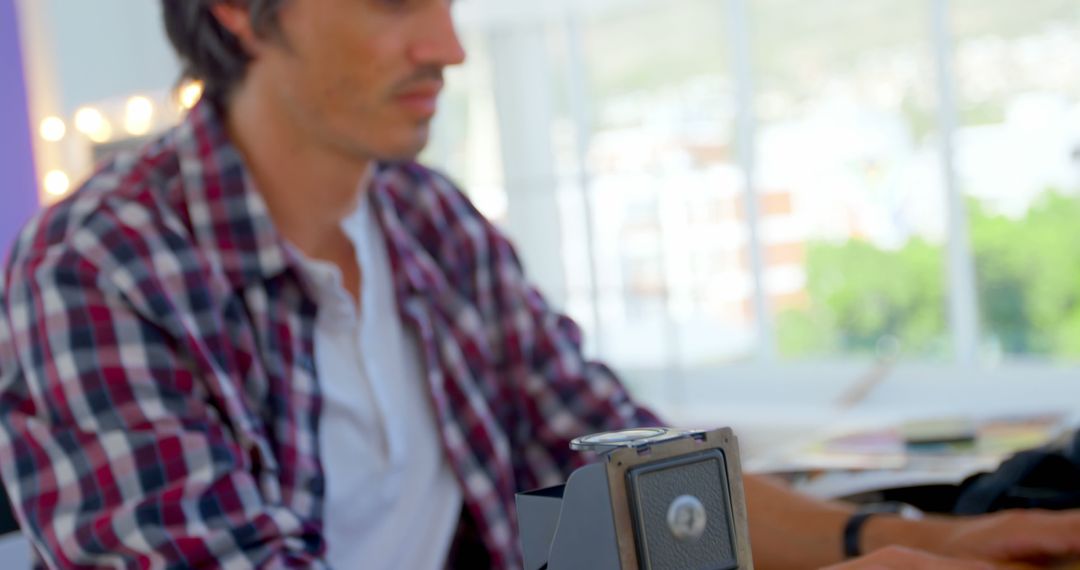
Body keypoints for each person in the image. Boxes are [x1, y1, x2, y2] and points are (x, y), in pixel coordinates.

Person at [0, 0, 1078, 568]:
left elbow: (641, 472)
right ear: (241, 9)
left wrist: (916, 538)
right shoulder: (102, 268)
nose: (450, 44)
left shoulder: (431, 224)